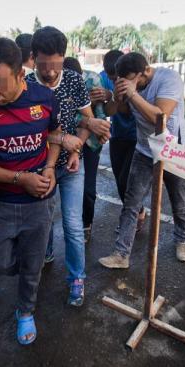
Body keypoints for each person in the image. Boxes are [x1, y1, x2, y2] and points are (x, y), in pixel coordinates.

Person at [0, 37, 62, 345]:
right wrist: (20, 178)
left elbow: (55, 133)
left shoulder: (44, 98)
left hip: (39, 202)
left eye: (0, 84)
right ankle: (17, 267)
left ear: (21, 74)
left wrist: (49, 168)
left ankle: (25, 311)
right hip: (1, 201)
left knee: (33, 267)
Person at [25, 26, 111, 306]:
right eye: (43, 65)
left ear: (64, 57)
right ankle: (47, 252)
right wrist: (65, 136)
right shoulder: (25, 85)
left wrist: (77, 149)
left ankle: (77, 278)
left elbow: (86, 119)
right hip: (40, 167)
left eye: (55, 65)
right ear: (33, 57)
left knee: (73, 226)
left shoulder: (74, 80)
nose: (50, 73)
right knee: (44, 222)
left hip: (72, 166)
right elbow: (28, 131)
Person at [98, 52, 185, 269]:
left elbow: (160, 117)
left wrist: (132, 94)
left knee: (179, 201)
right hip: (143, 151)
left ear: (146, 71)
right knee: (131, 203)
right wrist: (117, 97)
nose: (132, 86)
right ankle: (121, 254)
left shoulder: (169, 79)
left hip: (171, 151)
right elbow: (116, 111)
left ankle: (182, 241)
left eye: (133, 80)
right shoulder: (130, 87)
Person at [98, 50, 146, 232]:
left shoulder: (136, 79)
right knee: (119, 180)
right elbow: (109, 110)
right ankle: (138, 211)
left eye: (117, 78)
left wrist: (120, 94)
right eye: (111, 77)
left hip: (136, 136)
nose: (114, 81)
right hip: (117, 134)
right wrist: (110, 96)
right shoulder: (103, 78)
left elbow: (129, 110)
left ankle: (132, 218)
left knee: (128, 180)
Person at [63, 56, 106, 243]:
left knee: (88, 189)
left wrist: (102, 128)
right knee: (68, 188)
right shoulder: (58, 85)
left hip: (91, 143)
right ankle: (71, 228)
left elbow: (99, 114)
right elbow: (63, 118)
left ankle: (86, 224)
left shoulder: (93, 79)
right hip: (65, 141)